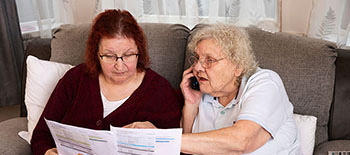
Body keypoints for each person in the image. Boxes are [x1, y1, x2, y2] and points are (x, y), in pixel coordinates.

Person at [31, 9, 181, 155]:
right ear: (96, 54)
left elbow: (175, 147)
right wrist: (48, 152)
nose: (120, 66)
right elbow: (41, 135)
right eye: (109, 56)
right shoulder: (75, 79)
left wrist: (156, 136)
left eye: (128, 55)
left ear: (139, 52)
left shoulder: (159, 91)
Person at [180, 25, 302, 154]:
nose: (198, 67)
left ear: (238, 66)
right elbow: (188, 149)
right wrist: (191, 106)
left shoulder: (265, 83)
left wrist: (167, 140)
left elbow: (242, 141)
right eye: (197, 58)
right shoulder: (204, 93)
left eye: (210, 60)